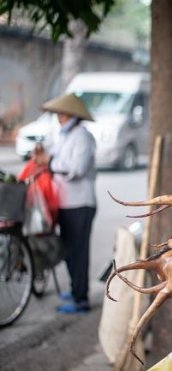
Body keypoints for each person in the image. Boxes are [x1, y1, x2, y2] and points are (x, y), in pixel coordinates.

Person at [33, 93, 97, 314]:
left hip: (81, 203)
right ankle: (76, 289)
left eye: (61, 113)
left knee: (78, 252)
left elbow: (75, 168)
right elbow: (56, 158)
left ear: (71, 114)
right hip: (66, 202)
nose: (58, 117)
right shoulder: (65, 135)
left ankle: (81, 299)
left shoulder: (82, 136)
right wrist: (45, 156)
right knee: (69, 250)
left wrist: (49, 161)